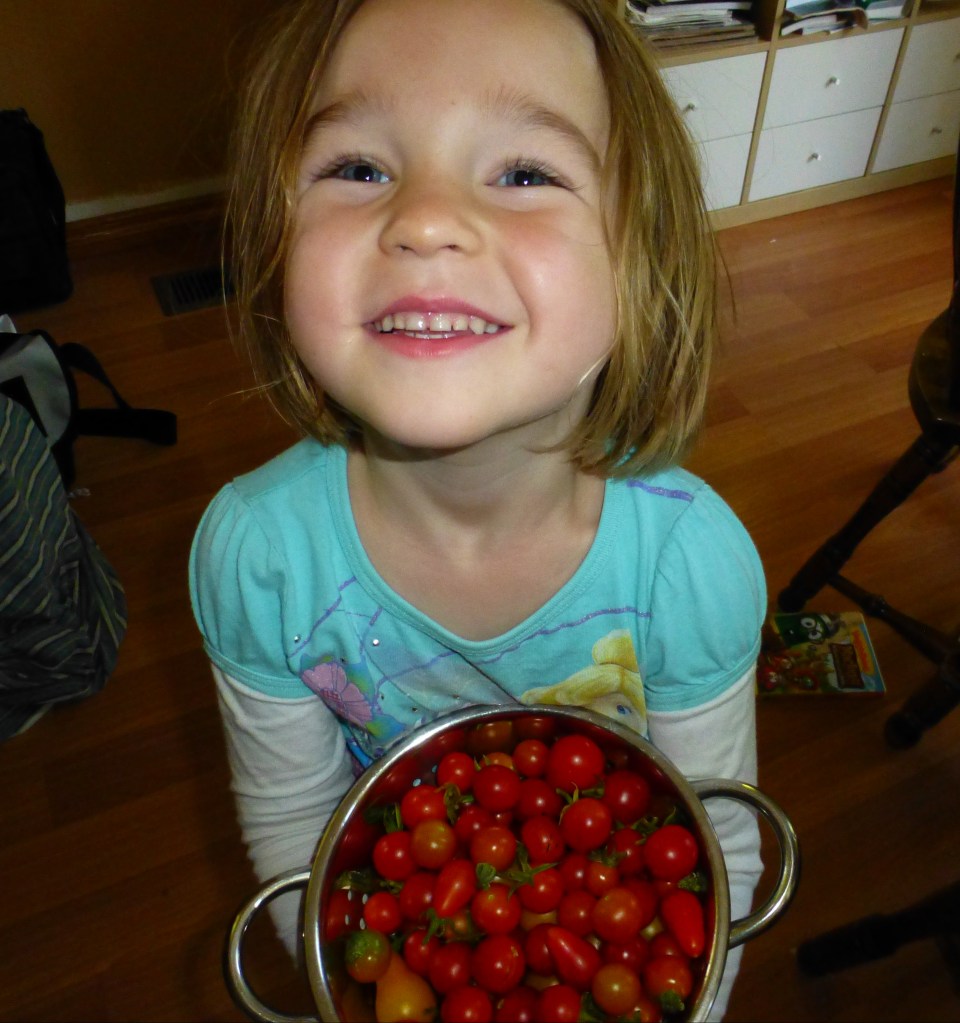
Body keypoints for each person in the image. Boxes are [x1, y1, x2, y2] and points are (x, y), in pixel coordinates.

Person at [189, 0, 766, 1016]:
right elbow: (294, 836)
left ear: (640, 255)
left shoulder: (691, 563)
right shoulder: (258, 558)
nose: (424, 219)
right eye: (360, 167)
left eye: (526, 173)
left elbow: (719, 844)